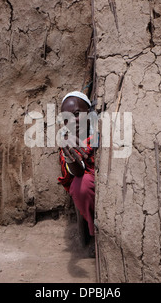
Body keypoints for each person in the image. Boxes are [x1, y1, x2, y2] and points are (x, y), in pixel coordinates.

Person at [57, 91, 96, 257]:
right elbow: (77, 172)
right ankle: (95, 234)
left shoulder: (103, 131)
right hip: (90, 187)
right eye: (67, 119)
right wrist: (69, 156)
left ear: (89, 111)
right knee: (81, 184)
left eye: (77, 114)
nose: (73, 122)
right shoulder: (68, 141)